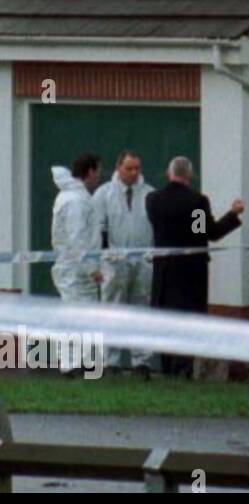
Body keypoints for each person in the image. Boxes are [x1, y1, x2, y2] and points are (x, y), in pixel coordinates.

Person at [145, 156, 243, 378]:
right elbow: (206, 233)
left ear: (169, 174)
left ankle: (167, 366)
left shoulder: (152, 200)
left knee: (164, 319)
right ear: (189, 175)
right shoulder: (197, 202)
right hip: (191, 273)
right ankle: (184, 368)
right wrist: (233, 214)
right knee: (189, 320)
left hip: (164, 271)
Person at [92, 151, 156, 376]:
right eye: (129, 168)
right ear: (119, 168)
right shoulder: (103, 194)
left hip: (143, 260)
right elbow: (98, 228)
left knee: (141, 310)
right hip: (114, 261)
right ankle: (112, 361)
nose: (134, 172)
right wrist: (101, 261)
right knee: (112, 310)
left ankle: (142, 361)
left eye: (137, 168)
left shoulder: (149, 194)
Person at [50, 153, 103, 374]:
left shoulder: (71, 197)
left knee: (81, 315)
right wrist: (92, 269)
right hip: (75, 269)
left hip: (73, 267)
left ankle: (78, 362)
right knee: (75, 316)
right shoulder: (76, 201)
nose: (99, 176)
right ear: (90, 171)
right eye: (98, 171)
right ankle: (69, 365)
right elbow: (78, 238)